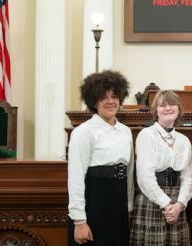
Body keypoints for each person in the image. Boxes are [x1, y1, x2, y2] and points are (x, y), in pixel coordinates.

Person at [67, 70, 134, 246]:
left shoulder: (126, 132)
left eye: (114, 96)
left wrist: (128, 207)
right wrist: (80, 221)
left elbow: (129, 172)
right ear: (93, 101)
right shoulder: (83, 132)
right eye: (103, 97)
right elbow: (75, 178)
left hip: (118, 204)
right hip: (95, 203)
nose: (110, 101)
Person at [130, 90, 192, 245]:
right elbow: (145, 177)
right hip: (153, 200)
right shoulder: (147, 135)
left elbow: (187, 177)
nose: (168, 108)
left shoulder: (184, 140)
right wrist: (166, 204)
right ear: (155, 111)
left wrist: (179, 205)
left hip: (177, 203)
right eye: (162, 105)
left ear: (179, 109)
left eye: (172, 104)